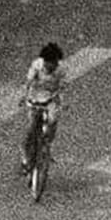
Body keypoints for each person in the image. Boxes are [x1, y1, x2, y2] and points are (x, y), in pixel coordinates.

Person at [19, 44, 65, 172]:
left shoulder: (61, 70)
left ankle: (46, 146)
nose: (50, 66)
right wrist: (24, 96)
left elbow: (62, 86)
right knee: (31, 129)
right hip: (34, 98)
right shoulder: (36, 66)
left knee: (52, 121)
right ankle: (26, 158)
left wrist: (59, 99)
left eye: (53, 63)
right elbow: (28, 82)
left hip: (51, 98)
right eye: (48, 63)